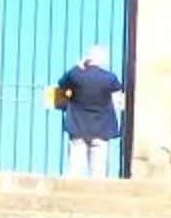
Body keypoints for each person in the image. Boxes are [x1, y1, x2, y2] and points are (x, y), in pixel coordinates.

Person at [53, 44, 126, 177]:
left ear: (87, 58)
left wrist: (78, 66)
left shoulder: (75, 75)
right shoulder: (109, 78)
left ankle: (72, 187)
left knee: (75, 166)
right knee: (98, 169)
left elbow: (61, 82)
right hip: (102, 128)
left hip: (77, 126)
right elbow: (118, 92)